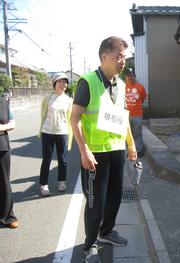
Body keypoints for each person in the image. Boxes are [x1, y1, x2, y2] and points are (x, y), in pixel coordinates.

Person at [71, 36, 137, 263]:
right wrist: (84, 150)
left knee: (114, 197)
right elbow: (75, 118)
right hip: (94, 154)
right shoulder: (87, 82)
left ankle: (106, 232)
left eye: (124, 57)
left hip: (116, 150)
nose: (123, 61)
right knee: (94, 201)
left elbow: (123, 117)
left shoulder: (121, 84)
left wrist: (131, 143)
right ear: (103, 56)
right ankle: (89, 245)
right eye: (118, 56)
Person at [38, 72, 73, 196]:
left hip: (62, 131)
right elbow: (43, 113)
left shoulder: (69, 100)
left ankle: (62, 181)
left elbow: (71, 117)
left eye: (65, 82)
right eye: (60, 81)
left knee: (62, 159)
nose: (63, 84)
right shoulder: (47, 98)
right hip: (47, 131)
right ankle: (43, 184)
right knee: (46, 159)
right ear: (55, 83)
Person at [0, 96, 18, 228]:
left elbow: (12, 123)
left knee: (3, 181)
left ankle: (7, 216)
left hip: (2, 146)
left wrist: (1, 127)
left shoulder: (3, 101)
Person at [125, 68, 147, 161]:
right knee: (126, 134)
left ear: (135, 76)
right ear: (125, 77)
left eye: (132, 75)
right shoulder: (122, 87)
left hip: (137, 114)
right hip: (125, 115)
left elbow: (142, 99)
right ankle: (130, 151)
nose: (130, 77)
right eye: (128, 75)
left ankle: (138, 150)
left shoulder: (140, 87)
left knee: (137, 133)